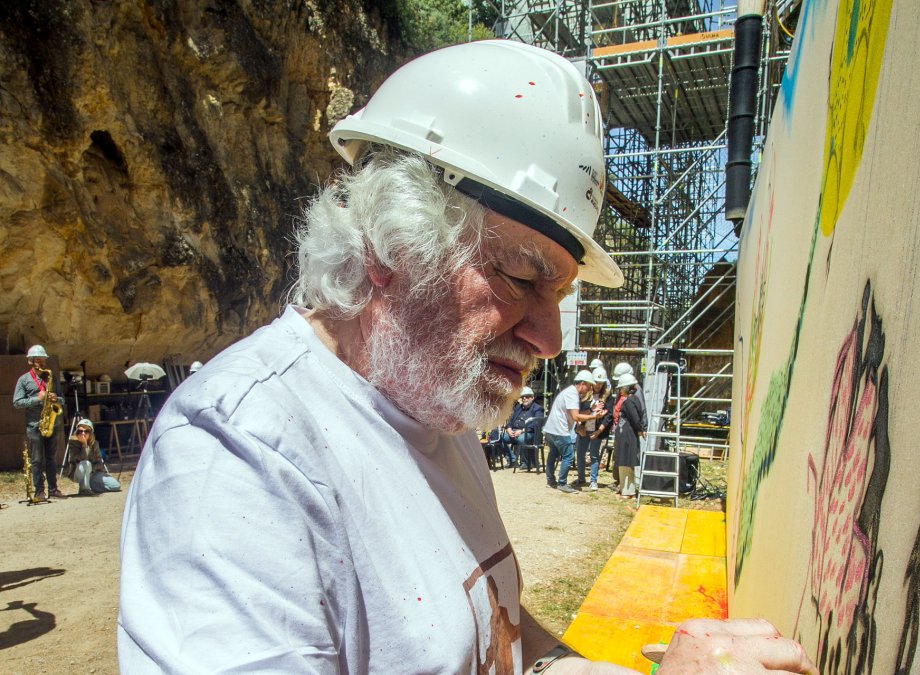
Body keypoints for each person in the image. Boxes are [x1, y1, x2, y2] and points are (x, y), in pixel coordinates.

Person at [117, 40, 815, 675]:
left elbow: (498, 634)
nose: (549, 338)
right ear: (392, 245)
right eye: (519, 277)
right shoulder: (237, 454)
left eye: (561, 294)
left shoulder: (439, 412)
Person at [12, 344, 65, 501]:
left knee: (51, 458)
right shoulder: (23, 380)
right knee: (36, 460)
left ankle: (53, 489)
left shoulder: (51, 377)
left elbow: (62, 399)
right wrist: (38, 399)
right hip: (34, 425)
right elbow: (17, 402)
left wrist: (57, 399)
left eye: (43, 360)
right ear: (30, 361)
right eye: (37, 360)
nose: (41, 363)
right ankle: (39, 491)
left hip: (51, 423)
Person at [542, 370, 602, 493]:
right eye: (589, 386)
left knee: (553, 454)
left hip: (551, 429)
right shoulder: (572, 394)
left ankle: (550, 480)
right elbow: (576, 417)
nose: (590, 389)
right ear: (582, 383)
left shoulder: (568, 391)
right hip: (560, 430)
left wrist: (591, 410)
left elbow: (575, 414)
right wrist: (594, 417)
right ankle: (562, 483)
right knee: (568, 456)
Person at [573, 369, 614, 491]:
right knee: (580, 454)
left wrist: (598, 431)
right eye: (596, 382)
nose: (598, 385)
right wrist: (579, 427)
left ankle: (593, 481)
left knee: (594, 456)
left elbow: (609, 416)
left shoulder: (607, 397)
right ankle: (581, 478)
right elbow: (576, 412)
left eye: (601, 383)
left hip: (597, 431)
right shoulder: (584, 395)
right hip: (583, 429)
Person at [613, 372, 647, 499]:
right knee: (625, 463)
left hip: (627, 435)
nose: (620, 390)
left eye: (621, 388)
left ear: (626, 388)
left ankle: (628, 491)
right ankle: (626, 489)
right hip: (627, 434)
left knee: (625, 463)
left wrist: (640, 429)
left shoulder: (629, 401)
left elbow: (634, 418)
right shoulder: (634, 399)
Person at [65, 418, 120, 495]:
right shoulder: (73, 443)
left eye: (86, 431)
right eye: (80, 431)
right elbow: (77, 460)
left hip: (93, 473)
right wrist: (84, 445)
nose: (83, 433)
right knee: (86, 463)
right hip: (77, 472)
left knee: (115, 486)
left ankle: (91, 485)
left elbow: (100, 463)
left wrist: (91, 471)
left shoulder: (95, 444)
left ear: (91, 433)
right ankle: (84, 489)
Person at [501, 386, 544, 469]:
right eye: (522, 397)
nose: (524, 399)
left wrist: (522, 431)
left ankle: (526, 462)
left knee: (522, 439)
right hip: (514, 432)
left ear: (532, 398)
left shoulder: (538, 409)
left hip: (531, 433)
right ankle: (512, 460)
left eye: (527, 397)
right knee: (501, 438)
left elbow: (536, 424)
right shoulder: (518, 407)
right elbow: (510, 419)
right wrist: (509, 428)